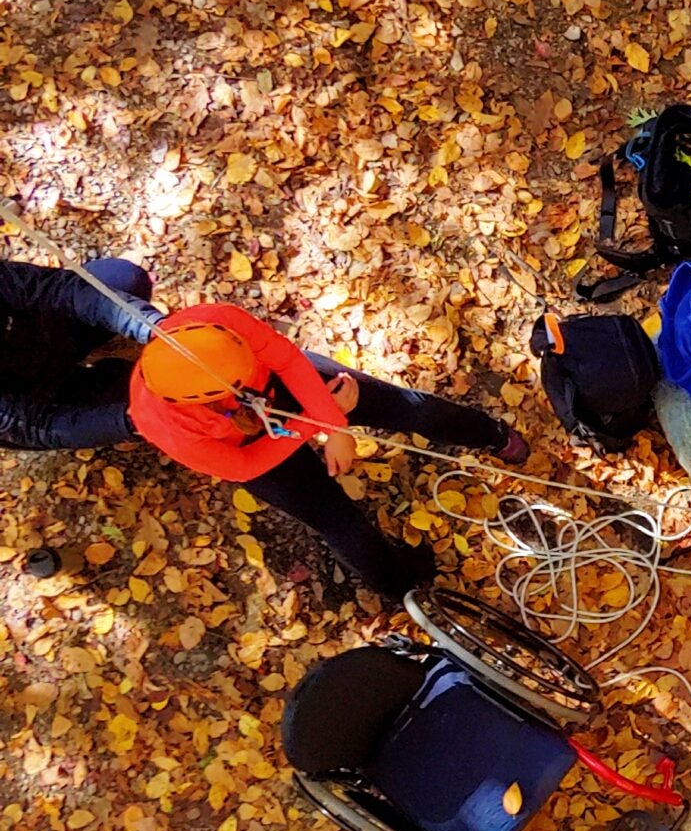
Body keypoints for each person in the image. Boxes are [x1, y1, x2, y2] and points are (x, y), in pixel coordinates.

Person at [126, 301, 528, 601]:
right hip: (253, 447)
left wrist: (333, 423)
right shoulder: (164, 425)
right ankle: (403, 588)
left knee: (400, 405)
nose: (251, 359)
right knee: (337, 520)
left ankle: (492, 435)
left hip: (286, 388)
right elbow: (246, 466)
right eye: (242, 369)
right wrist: (321, 424)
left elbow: (284, 359)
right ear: (216, 394)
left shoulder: (209, 326)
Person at [0, 256, 161, 450]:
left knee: (124, 278)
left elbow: (53, 288)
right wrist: (129, 421)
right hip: (43, 398)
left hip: (55, 330)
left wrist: (150, 325)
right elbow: (39, 426)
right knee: (157, 404)